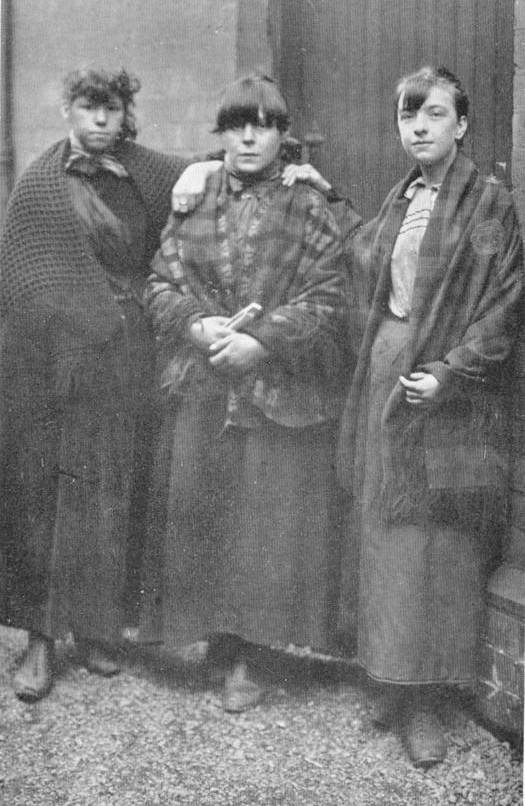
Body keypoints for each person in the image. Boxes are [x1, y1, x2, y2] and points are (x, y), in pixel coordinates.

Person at [0, 65, 227, 701]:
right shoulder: (42, 184)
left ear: (125, 112)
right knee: (49, 490)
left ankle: (95, 627)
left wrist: (214, 171)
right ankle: (40, 641)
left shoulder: (146, 170)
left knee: (110, 483)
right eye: (89, 108)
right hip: (55, 360)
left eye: (112, 109)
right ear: (69, 109)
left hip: (128, 353)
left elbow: (224, 160)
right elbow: (21, 279)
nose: (101, 121)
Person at [139, 73, 353, 712]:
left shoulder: (308, 205)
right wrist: (197, 325)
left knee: (265, 525)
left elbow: (331, 294)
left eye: (263, 125)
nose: (250, 137)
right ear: (222, 134)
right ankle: (216, 638)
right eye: (237, 124)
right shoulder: (194, 199)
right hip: (204, 385)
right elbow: (158, 283)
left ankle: (254, 655)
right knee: (205, 513)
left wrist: (262, 340)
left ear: (283, 136)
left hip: (277, 391)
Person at [337, 67, 524, 767]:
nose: (418, 126)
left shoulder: (489, 204)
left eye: (434, 113)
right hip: (387, 373)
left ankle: (424, 700)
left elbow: (505, 303)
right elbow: (354, 259)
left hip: (448, 391)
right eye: (406, 114)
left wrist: (448, 371)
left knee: (432, 546)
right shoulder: (398, 199)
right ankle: (386, 679)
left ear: (461, 125)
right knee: (385, 535)